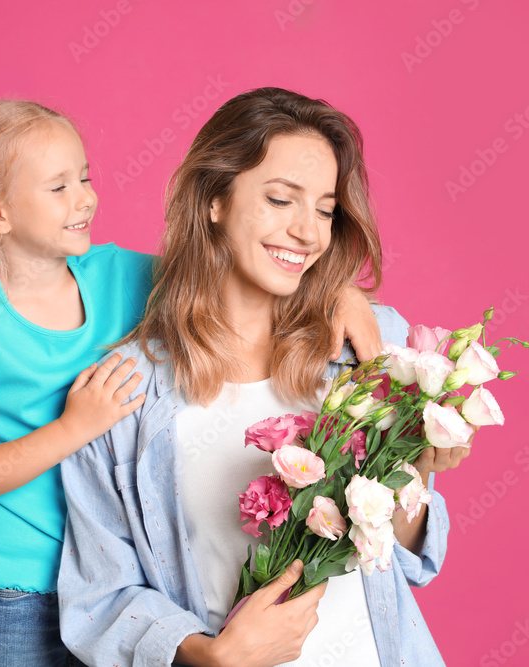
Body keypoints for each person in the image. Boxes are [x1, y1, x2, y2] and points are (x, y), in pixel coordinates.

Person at [0, 98, 384, 666]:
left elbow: (234, 268)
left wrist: (341, 293)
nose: (85, 198)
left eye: (85, 177)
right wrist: (76, 426)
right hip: (17, 591)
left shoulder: (121, 275)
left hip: (120, 573)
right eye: (59, 188)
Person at [58, 87, 471, 667]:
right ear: (215, 200)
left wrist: (415, 476)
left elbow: (404, 560)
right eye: (281, 200)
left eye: (325, 210)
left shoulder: (368, 349)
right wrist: (208, 655)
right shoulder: (123, 392)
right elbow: (101, 595)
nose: (307, 232)